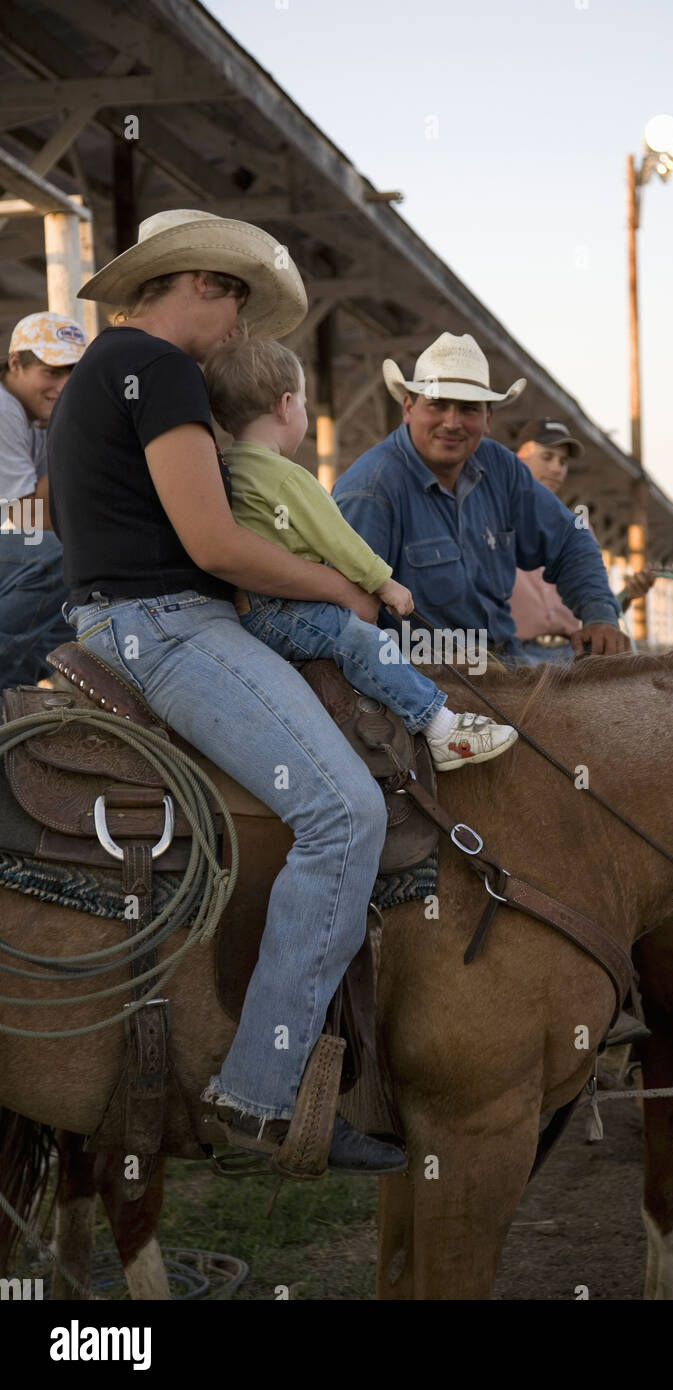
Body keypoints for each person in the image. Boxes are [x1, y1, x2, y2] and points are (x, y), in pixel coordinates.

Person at [48, 208, 406, 1173]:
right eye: (238, 301)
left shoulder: (100, 374)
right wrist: (342, 588)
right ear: (201, 283)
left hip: (122, 619)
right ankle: (261, 1095)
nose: (242, 329)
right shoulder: (159, 370)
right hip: (168, 624)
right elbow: (212, 545)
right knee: (344, 814)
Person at [202, 334, 517, 769]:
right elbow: (339, 540)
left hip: (247, 608)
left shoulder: (227, 466)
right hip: (277, 609)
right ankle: (441, 728)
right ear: (285, 405)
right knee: (363, 641)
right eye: (307, 404)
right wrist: (385, 584)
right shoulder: (287, 478)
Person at [331, 333, 629, 663]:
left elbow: (570, 538)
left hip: (506, 664)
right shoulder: (372, 488)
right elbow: (350, 620)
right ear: (408, 408)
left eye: (468, 409)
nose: (452, 422)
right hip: (422, 676)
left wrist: (600, 614)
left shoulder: (501, 468)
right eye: (438, 404)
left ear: (488, 420)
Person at [510, 418, 656, 664]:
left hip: (571, 655)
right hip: (514, 657)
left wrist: (628, 595)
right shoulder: (493, 521)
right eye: (547, 457)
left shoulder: (581, 528)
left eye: (563, 461)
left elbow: (596, 609)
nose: (557, 468)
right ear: (518, 458)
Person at [0, 311, 87, 686]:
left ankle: (14, 690)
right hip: (18, 545)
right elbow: (31, 520)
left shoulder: (34, 417)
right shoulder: (3, 409)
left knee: (89, 589)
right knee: (60, 555)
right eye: (52, 372)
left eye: (71, 373)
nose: (63, 385)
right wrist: (74, 438)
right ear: (15, 362)